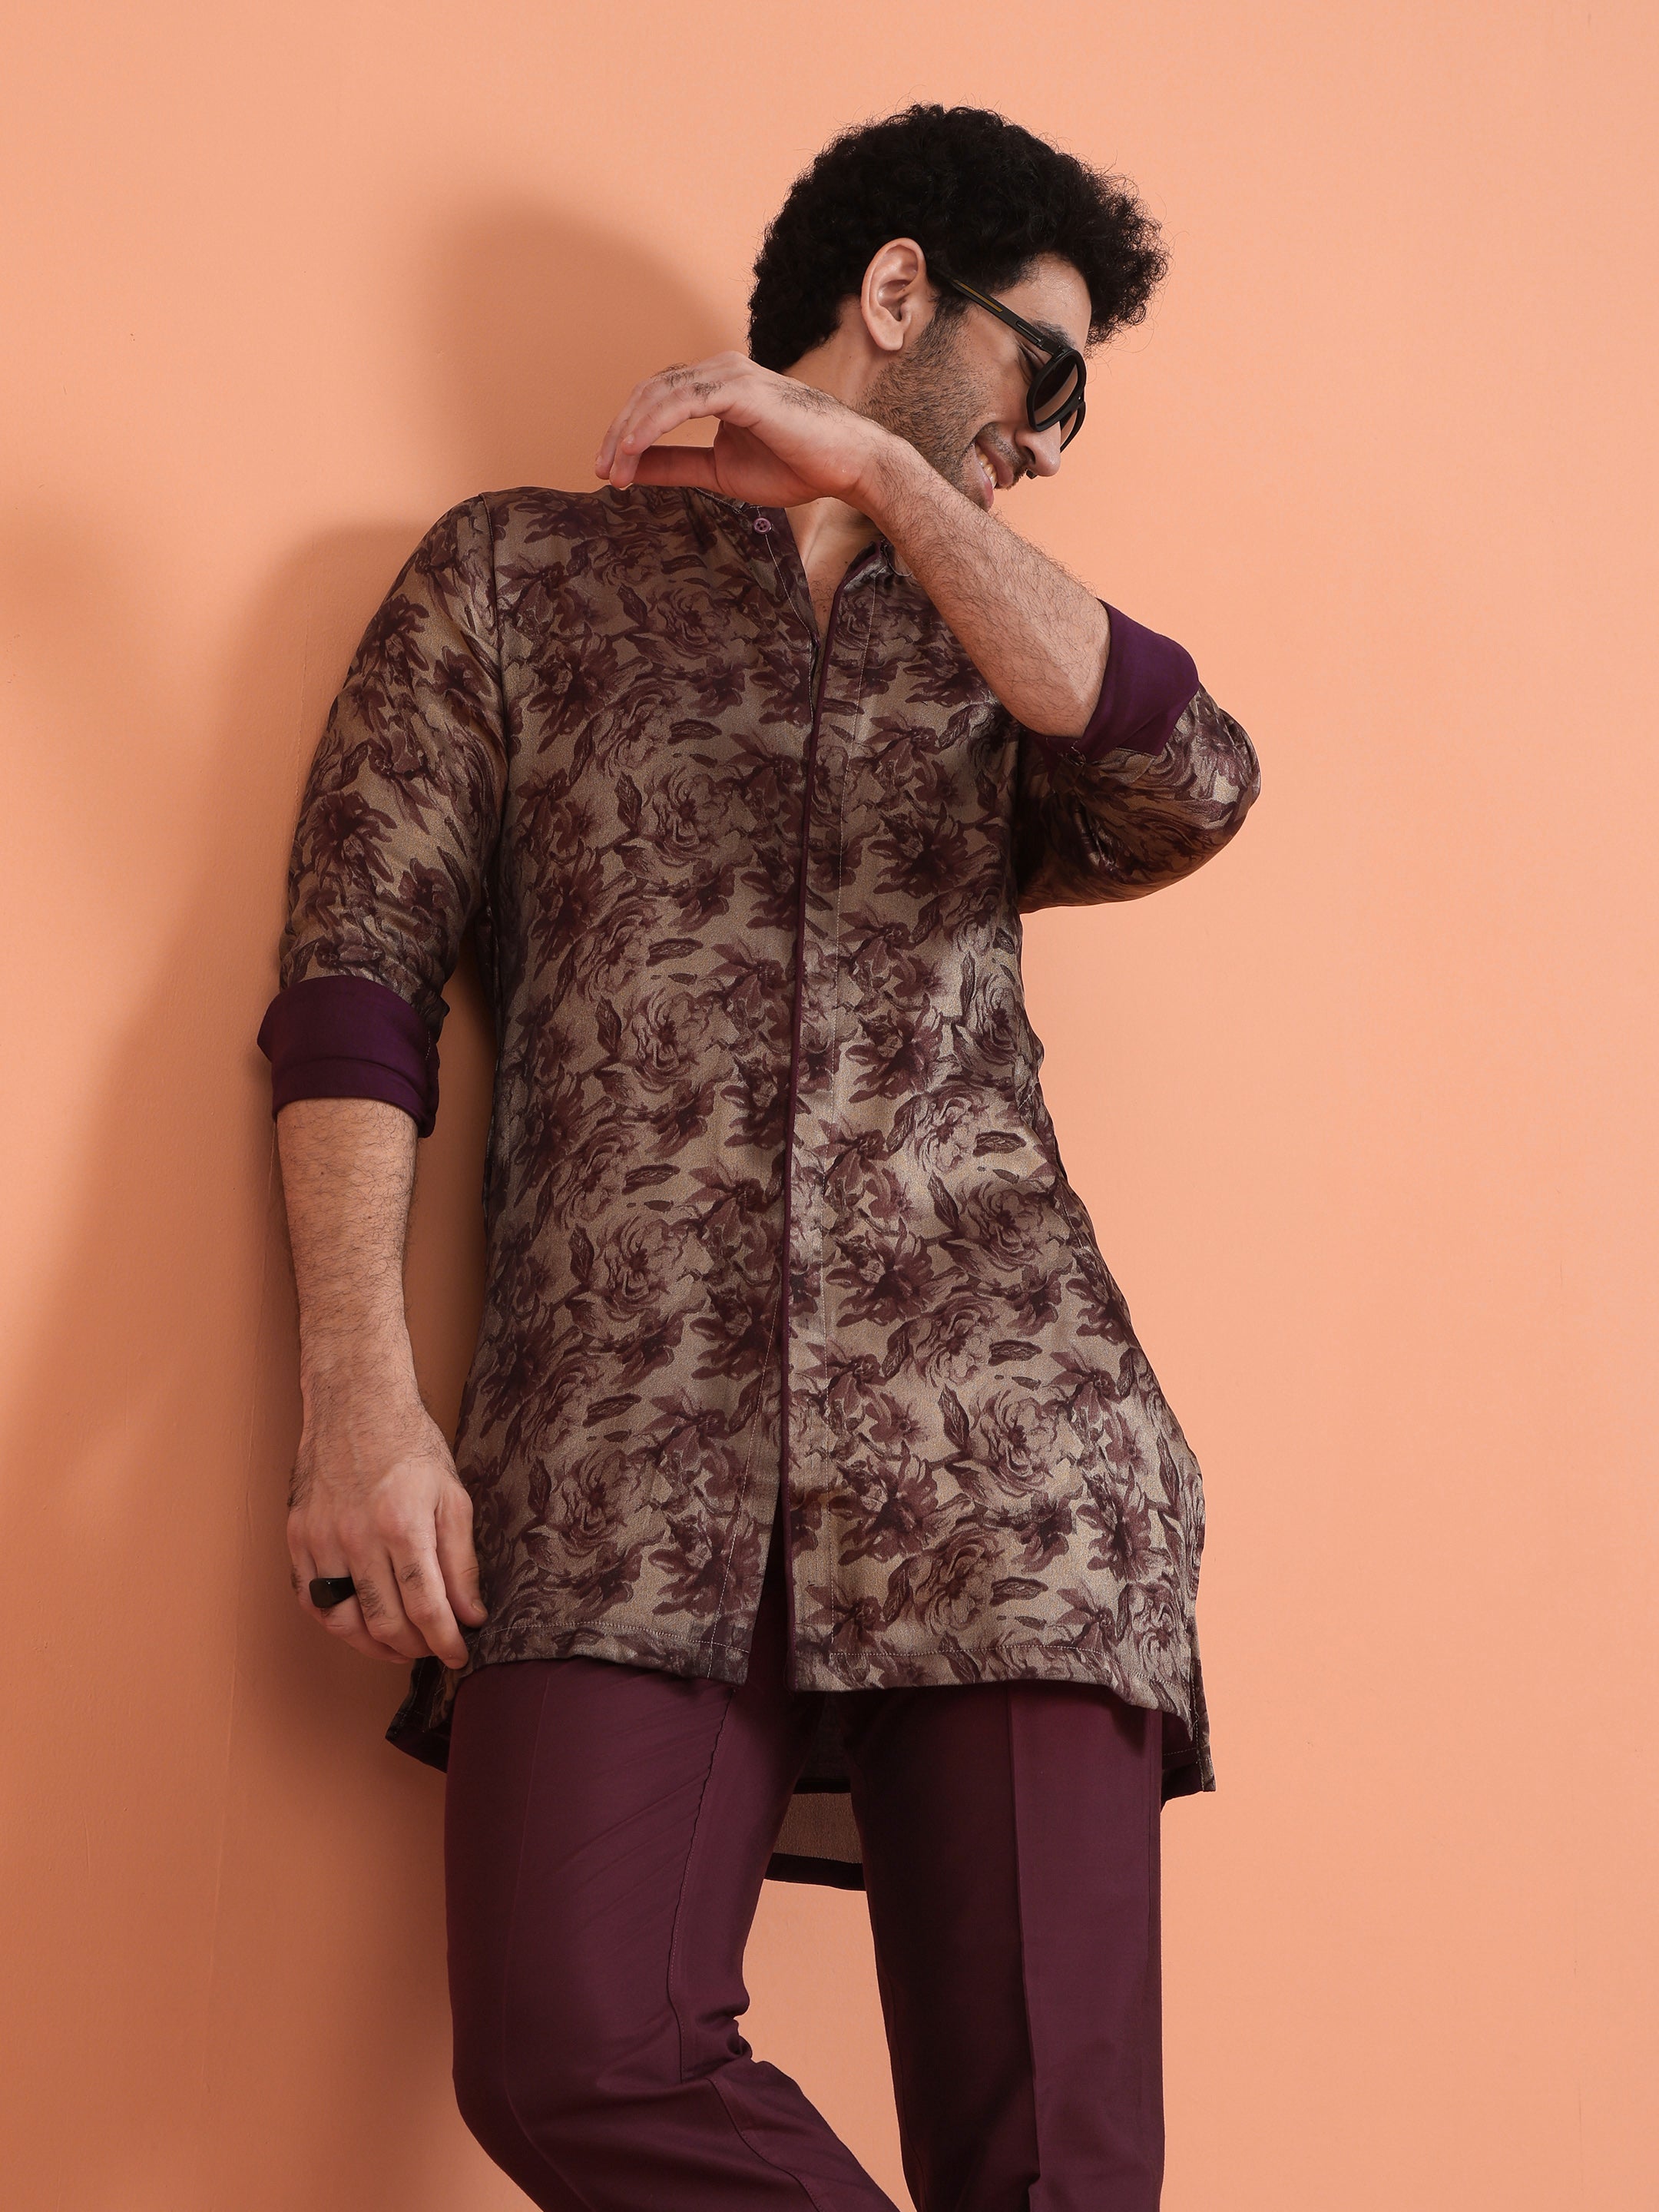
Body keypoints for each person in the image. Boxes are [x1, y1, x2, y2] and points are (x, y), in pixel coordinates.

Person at [258, 101, 1260, 2212]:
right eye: (1045, 374)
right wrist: (359, 1394)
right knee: (573, 2046)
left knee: (1058, 2169)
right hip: (618, 1448)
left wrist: (895, 483)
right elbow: (354, 984)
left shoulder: (996, 636)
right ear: (899, 292)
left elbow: (1190, 781)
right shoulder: (514, 578)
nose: (1051, 442)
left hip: (1008, 1464)